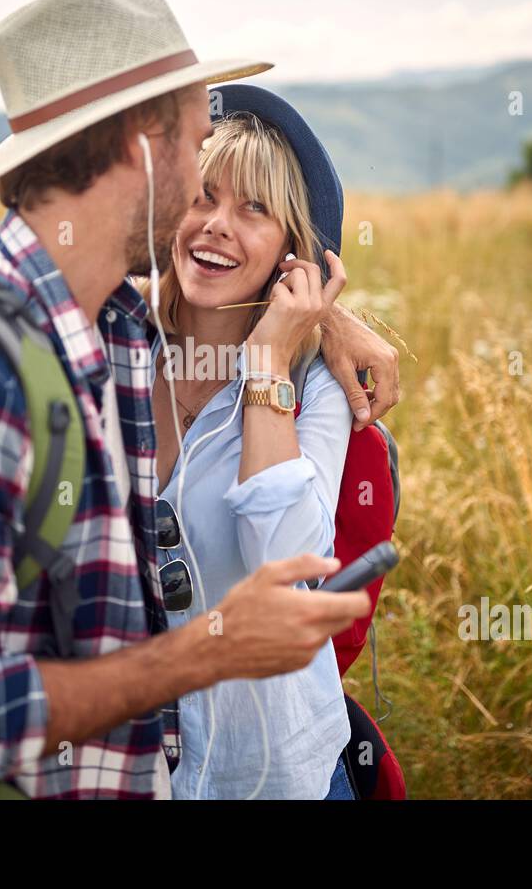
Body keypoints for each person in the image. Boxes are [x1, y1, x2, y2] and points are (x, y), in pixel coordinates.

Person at [0, 0, 398, 799]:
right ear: (142, 144)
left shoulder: (113, 326)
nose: (205, 178)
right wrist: (211, 648)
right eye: (198, 140)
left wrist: (321, 322)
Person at [145, 85, 358, 799]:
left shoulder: (319, 390)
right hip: (139, 773)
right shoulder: (116, 346)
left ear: (294, 257)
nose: (214, 227)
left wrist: (267, 361)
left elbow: (288, 565)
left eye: (253, 209)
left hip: (275, 779)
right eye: (201, 197)